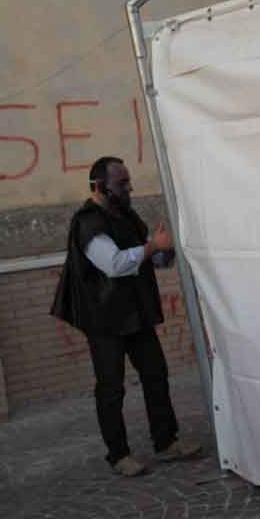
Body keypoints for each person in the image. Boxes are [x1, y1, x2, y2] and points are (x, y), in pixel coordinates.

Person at [51, 156, 201, 477]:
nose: (129, 188)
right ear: (99, 186)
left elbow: (146, 257)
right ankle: (118, 455)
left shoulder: (127, 216)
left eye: (128, 181)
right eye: (122, 183)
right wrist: (151, 248)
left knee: (155, 374)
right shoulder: (88, 222)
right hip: (103, 319)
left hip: (135, 313)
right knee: (111, 387)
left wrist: (163, 252)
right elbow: (115, 264)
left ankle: (166, 441)